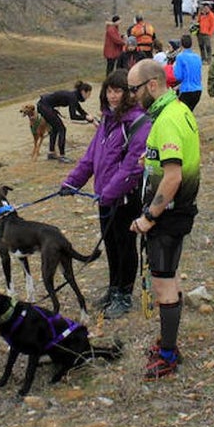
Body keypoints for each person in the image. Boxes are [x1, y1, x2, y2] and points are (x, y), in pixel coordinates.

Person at [126, 59, 200, 380]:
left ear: (152, 86)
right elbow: (176, 158)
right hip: (176, 213)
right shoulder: (178, 110)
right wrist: (151, 157)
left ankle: (168, 355)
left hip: (168, 216)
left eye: (134, 89)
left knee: (162, 284)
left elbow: (172, 178)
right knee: (169, 277)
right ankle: (168, 342)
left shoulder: (167, 119)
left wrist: (148, 216)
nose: (131, 96)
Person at [60, 69, 150, 320]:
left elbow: (132, 166)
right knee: (110, 244)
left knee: (125, 244)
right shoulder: (107, 121)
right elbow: (91, 157)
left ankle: (124, 294)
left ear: (129, 93)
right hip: (105, 197)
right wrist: (72, 182)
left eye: (118, 90)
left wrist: (109, 192)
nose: (112, 96)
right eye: (109, 90)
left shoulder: (138, 123)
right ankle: (113, 288)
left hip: (125, 197)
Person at [36, 81, 94, 162]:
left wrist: (91, 119)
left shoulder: (74, 96)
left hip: (44, 105)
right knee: (62, 129)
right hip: (44, 106)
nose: (89, 97)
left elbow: (80, 110)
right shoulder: (73, 97)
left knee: (55, 128)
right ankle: (62, 156)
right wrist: (86, 117)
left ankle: (51, 153)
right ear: (83, 92)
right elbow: (73, 116)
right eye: (88, 94)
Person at [173, 34, 203, 112]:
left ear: (181, 44)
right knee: (189, 113)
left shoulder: (180, 57)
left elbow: (178, 76)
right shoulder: (197, 57)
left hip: (186, 90)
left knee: (182, 114)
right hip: (198, 90)